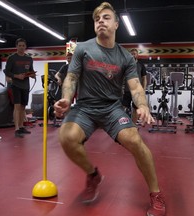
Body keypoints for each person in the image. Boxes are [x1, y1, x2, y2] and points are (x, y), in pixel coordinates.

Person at [54, 2, 166, 216]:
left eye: (106, 18)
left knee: (135, 140)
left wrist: (142, 106)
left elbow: (135, 86)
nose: (100, 22)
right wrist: (66, 99)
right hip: (85, 107)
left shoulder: (125, 57)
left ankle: (156, 193)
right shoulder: (83, 49)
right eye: (97, 19)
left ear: (116, 24)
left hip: (112, 108)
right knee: (66, 137)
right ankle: (93, 174)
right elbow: (72, 77)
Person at [4, 38, 36, 138]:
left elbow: (31, 70)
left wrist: (32, 75)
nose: (21, 47)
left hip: (25, 85)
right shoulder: (12, 58)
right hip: (15, 85)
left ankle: (22, 126)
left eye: (23, 45)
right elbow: (7, 72)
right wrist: (17, 76)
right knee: (17, 107)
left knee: (23, 107)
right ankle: (17, 128)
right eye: (20, 45)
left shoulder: (29, 58)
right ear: (16, 46)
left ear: (25, 46)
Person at [122, 48, 147, 124]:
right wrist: (121, 87)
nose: (133, 55)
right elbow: (122, 77)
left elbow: (144, 78)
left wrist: (144, 89)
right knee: (123, 107)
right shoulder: (126, 65)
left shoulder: (141, 65)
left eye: (134, 53)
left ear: (137, 55)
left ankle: (133, 125)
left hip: (137, 91)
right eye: (131, 53)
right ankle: (123, 124)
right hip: (127, 90)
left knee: (135, 108)